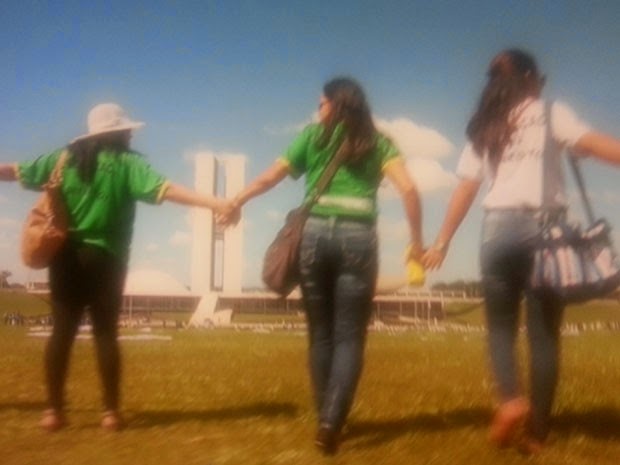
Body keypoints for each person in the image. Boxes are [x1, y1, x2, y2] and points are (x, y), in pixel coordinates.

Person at [421, 49, 620, 454]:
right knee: (544, 336)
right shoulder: (549, 113)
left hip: (497, 231)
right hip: (545, 232)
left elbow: (466, 187)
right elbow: (594, 145)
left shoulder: (485, 124)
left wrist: (442, 241)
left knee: (500, 328)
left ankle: (511, 399)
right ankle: (537, 434)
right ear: (531, 79)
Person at [219, 77, 423, 454]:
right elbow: (409, 189)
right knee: (350, 336)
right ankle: (331, 423)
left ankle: (324, 416)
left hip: (313, 237)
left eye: (321, 103)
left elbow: (270, 176)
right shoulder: (379, 142)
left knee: (321, 334)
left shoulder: (313, 138)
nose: (318, 110)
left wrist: (236, 200)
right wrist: (417, 243)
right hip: (358, 239)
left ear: (336, 104)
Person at [0, 102, 228, 432]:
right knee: (106, 333)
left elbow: (14, 171)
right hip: (108, 259)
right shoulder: (127, 163)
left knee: (62, 332)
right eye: (127, 130)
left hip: (65, 257)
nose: (131, 135)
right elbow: (168, 190)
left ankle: (53, 412)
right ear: (117, 133)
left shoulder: (62, 159)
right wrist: (216, 203)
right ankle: (110, 413)